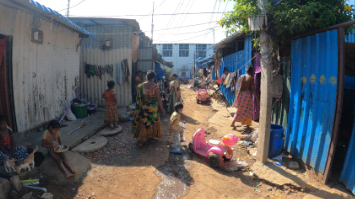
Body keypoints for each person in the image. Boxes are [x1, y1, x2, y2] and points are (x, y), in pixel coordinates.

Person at [132, 70, 166, 147]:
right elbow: (158, 98)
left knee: (143, 123)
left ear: (147, 77)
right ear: (153, 77)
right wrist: (162, 108)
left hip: (143, 107)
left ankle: (140, 141)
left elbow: (138, 98)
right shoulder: (155, 86)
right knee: (153, 122)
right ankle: (150, 137)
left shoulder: (141, 85)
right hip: (152, 109)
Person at [231, 65, 259, 134]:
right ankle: (247, 125)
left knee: (240, 110)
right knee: (249, 111)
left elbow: (238, 87)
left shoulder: (241, 77)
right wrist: (257, 99)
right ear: (252, 71)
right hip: (247, 96)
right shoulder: (251, 78)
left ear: (246, 71)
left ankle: (233, 122)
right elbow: (253, 89)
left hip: (240, 95)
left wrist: (237, 96)